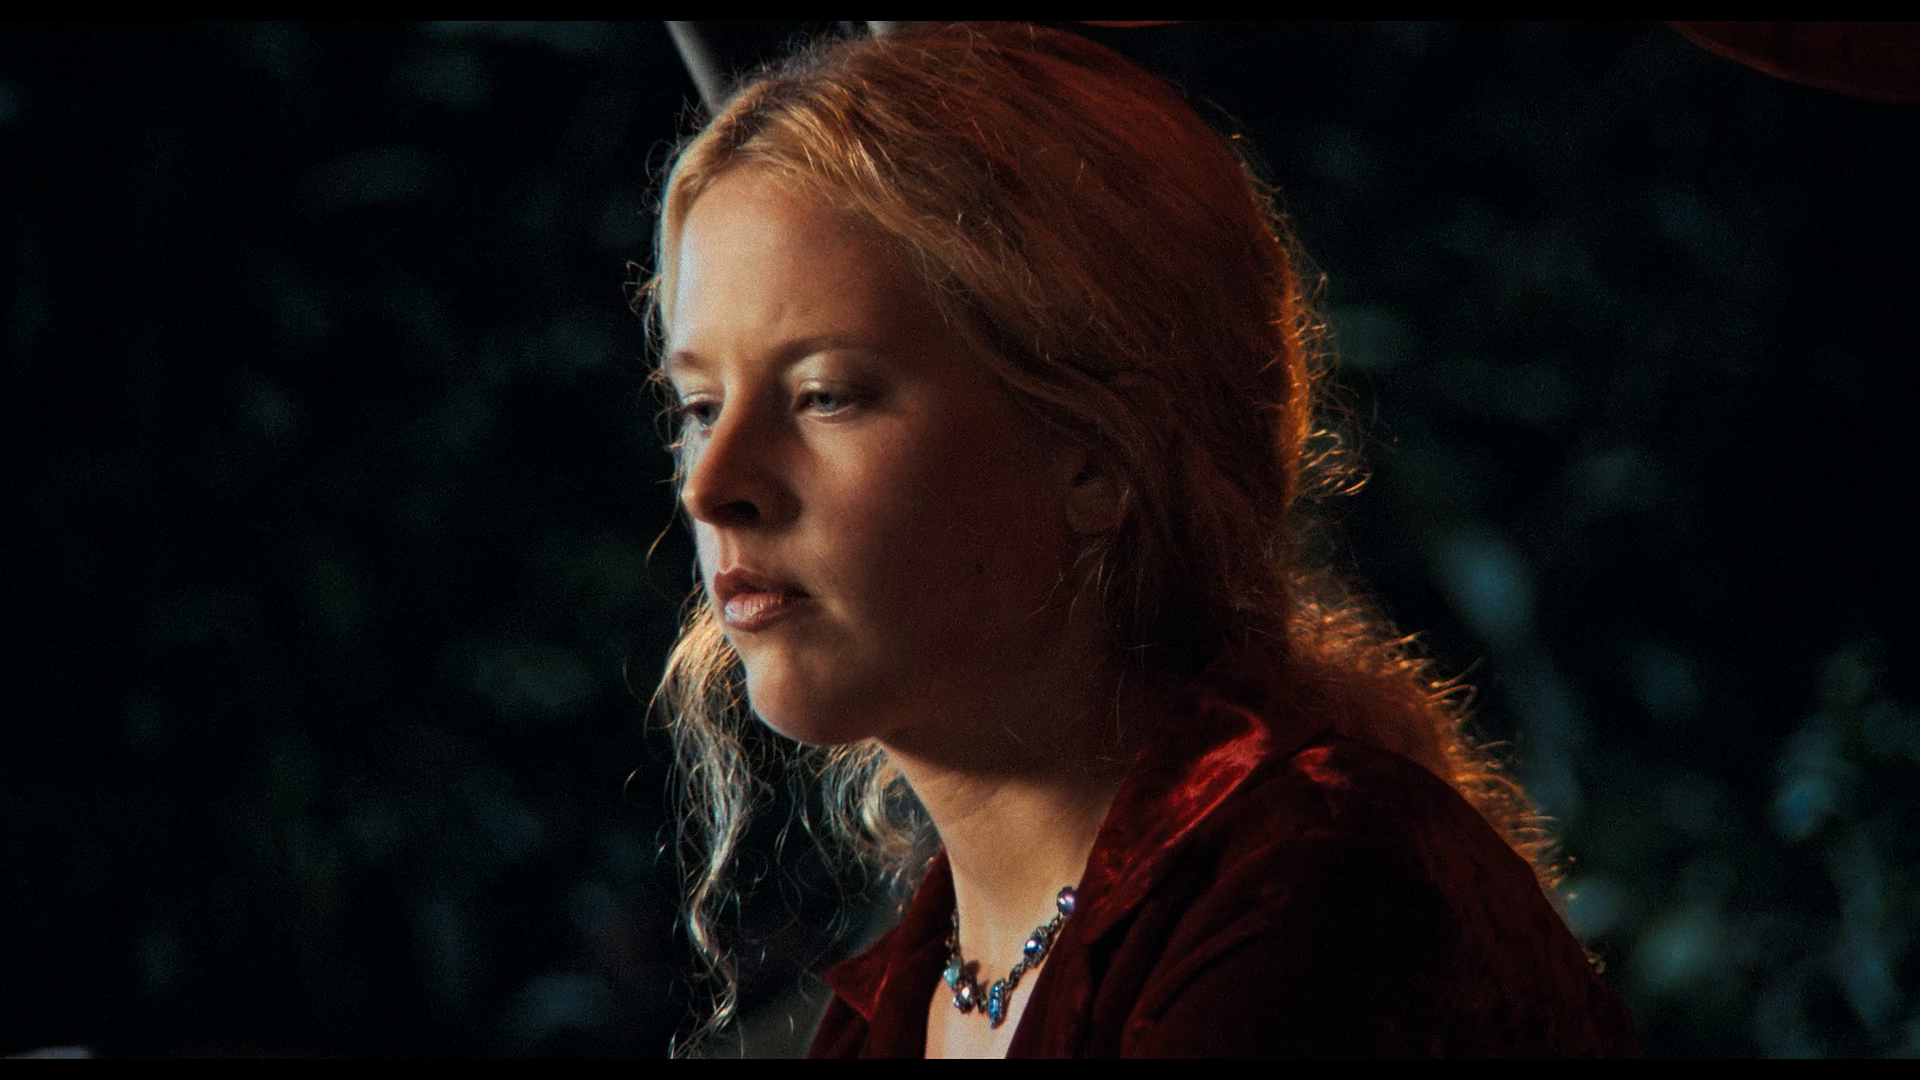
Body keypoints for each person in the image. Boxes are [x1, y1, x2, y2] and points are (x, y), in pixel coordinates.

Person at [643, 21, 1640, 1058]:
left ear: (1095, 454)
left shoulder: (1320, 903)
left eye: (826, 395)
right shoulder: (882, 1017)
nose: (712, 487)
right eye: (699, 408)